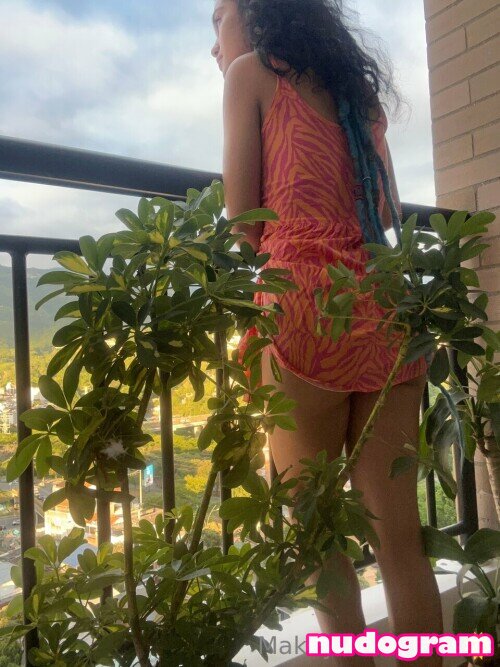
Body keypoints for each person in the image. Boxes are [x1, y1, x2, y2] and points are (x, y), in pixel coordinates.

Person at [210, 1, 443, 665]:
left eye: (218, 19)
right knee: (399, 542)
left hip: (304, 310)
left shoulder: (251, 74)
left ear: (257, 12)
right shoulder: (357, 94)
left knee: (317, 536)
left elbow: (242, 217)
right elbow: (386, 210)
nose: (214, 42)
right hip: (384, 307)